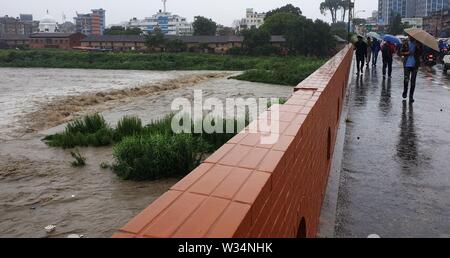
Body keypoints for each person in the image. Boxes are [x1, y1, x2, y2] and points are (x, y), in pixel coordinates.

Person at [401, 36, 422, 103]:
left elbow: (421, 53)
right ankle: (405, 92)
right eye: (410, 36)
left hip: (415, 65)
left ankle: (411, 96)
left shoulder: (418, 43)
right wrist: (407, 53)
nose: (411, 37)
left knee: (413, 82)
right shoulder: (405, 43)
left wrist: (418, 47)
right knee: (406, 80)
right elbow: (401, 52)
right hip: (407, 64)